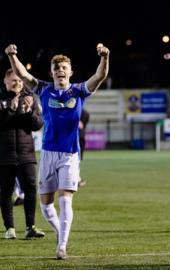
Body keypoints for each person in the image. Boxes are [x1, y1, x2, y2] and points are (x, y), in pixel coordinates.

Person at [5, 43, 109, 259]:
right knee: (46, 207)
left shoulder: (79, 90)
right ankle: (62, 233)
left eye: (64, 67)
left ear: (70, 72)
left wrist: (104, 57)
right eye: (57, 68)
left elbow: (100, 76)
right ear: (51, 72)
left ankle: (62, 247)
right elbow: (23, 74)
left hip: (70, 154)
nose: (60, 70)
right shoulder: (44, 89)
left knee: (65, 199)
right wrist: (12, 56)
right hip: (48, 153)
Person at [0, 68, 45, 239]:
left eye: (20, 81)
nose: (18, 83)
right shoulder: (1, 98)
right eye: (13, 80)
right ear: (5, 81)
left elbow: (38, 124)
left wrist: (27, 113)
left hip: (26, 154)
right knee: (6, 192)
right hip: (4, 155)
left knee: (31, 190)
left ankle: (30, 227)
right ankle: (9, 228)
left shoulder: (31, 98)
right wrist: (9, 110)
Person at [78, 108, 90, 187]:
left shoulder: (85, 113)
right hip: (79, 138)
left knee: (77, 160)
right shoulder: (85, 113)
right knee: (76, 161)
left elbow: (81, 126)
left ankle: (77, 179)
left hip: (78, 138)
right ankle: (77, 179)